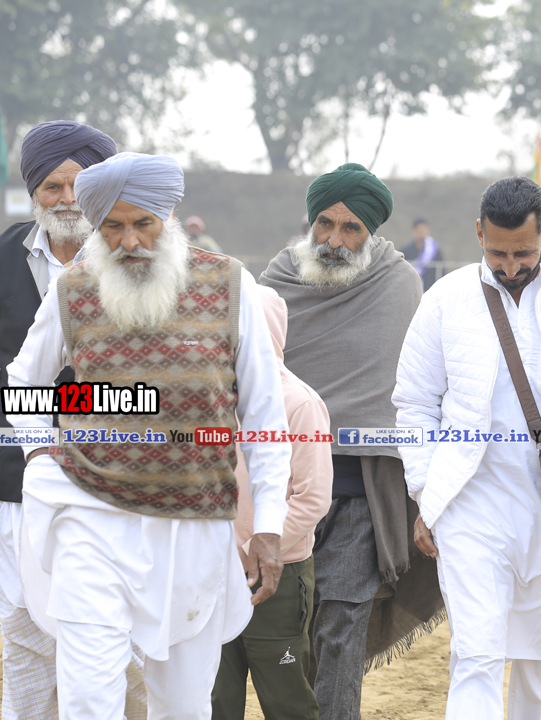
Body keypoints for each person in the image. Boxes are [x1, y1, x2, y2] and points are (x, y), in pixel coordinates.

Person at [7, 152, 292, 719]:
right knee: (89, 698)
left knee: (183, 705)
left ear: (169, 217)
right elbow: (23, 382)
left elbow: (263, 412)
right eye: (112, 227)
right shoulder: (73, 289)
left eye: (143, 223)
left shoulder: (229, 285)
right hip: (90, 514)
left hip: (194, 524)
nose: (129, 241)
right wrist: (42, 451)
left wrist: (268, 524)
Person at [393, 176, 541, 719]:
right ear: (478, 233)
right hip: (472, 502)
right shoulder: (445, 300)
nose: (511, 266)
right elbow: (415, 403)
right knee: (475, 653)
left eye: (523, 252)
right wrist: (426, 492)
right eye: (497, 252)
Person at [0, 120, 147, 720]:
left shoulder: (138, 253)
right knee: (26, 636)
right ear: (33, 192)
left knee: (128, 652)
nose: (67, 198)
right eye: (52, 186)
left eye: (79, 184)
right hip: (25, 491)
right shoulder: (0, 258)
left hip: (123, 489)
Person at [260, 163, 443, 720]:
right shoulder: (275, 283)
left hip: (364, 489)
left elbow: (418, 391)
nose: (334, 240)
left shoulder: (399, 284)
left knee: (342, 623)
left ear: (371, 231)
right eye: (325, 223)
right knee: (289, 629)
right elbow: (254, 382)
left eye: (351, 228)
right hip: (285, 486)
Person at [212, 284, 333, 720]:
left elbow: (312, 498)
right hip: (214, 572)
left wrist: (254, 550)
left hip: (275, 578)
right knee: (214, 699)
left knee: (286, 700)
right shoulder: (210, 402)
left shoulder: (300, 403)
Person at [401, 217, 443, 291]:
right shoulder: (405, 251)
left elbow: (441, 271)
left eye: (424, 229)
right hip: (412, 289)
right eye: (419, 229)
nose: (422, 232)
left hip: (431, 289)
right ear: (413, 231)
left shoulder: (434, 251)